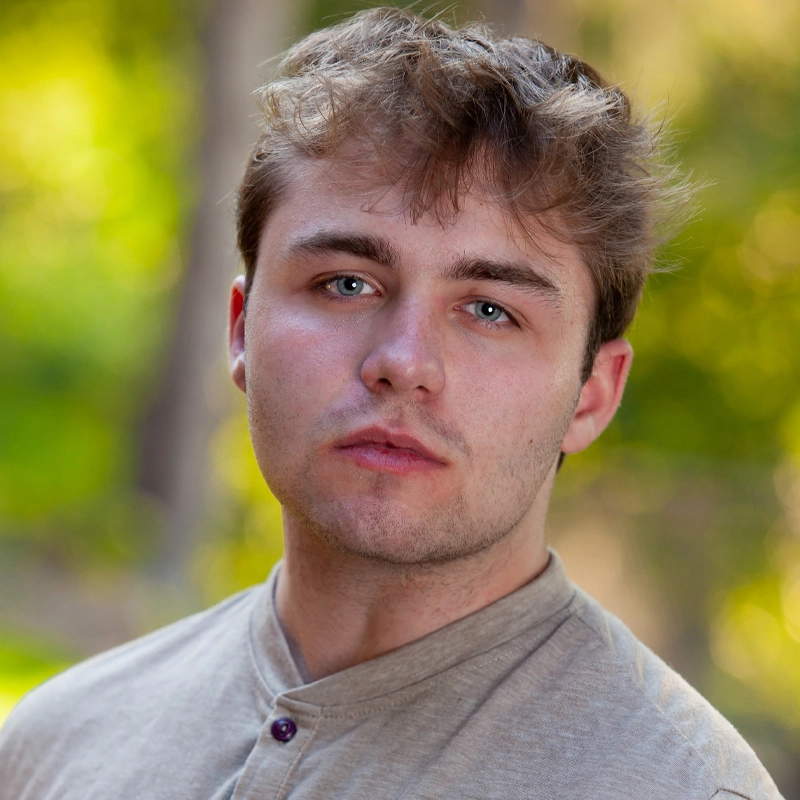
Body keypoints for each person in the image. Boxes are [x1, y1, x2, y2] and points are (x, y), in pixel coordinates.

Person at [0, 7, 784, 799]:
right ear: (241, 331)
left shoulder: (681, 787)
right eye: (346, 283)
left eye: (489, 310)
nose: (403, 363)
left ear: (592, 394)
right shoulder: (54, 745)